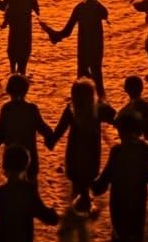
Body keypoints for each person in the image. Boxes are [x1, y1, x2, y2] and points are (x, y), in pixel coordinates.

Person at [91, 111, 148, 242]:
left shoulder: (117, 151)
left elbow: (107, 175)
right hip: (138, 196)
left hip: (119, 198)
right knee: (137, 228)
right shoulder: (144, 149)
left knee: (119, 229)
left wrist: (95, 186)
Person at [48, 77, 115, 214]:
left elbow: (60, 128)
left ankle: (78, 204)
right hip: (92, 148)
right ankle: (86, 202)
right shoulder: (99, 108)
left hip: (75, 148)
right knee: (89, 175)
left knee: (76, 178)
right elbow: (115, 117)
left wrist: (52, 140)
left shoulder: (71, 109)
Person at [0, 73, 52, 180]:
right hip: (30, 163)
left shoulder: (7, 109)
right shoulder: (32, 109)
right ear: (26, 90)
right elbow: (46, 131)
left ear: (8, 90)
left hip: (11, 164)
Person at [43, 0, 108, 97]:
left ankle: (80, 103)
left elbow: (67, 32)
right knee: (97, 75)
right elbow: (105, 15)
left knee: (81, 76)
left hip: (83, 47)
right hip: (96, 47)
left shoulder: (79, 8)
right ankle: (102, 102)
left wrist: (55, 34)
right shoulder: (100, 8)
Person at [1, 0, 39, 75]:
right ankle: (22, 70)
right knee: (25, 45)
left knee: (13, 43)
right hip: (26, 21)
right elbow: (36, 7)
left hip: (14, 21)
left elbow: (5, 5)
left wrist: (5, 21)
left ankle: (12, 68)